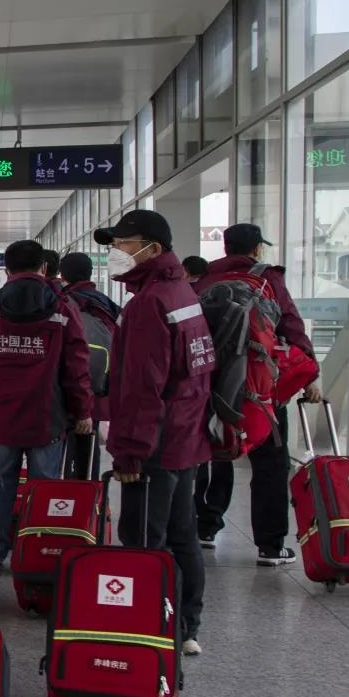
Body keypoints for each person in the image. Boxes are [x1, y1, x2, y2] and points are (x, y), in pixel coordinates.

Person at [95, 209, 214, 657]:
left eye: (123, 244)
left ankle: (151, 629)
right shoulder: (182, 291)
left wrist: (129, 453)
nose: (116, 252)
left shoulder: (149, 304)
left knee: (144, 540)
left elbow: (142, 387)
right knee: (182, 535)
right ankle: (186, 625)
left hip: (156, 443)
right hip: (183, 436)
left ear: (153, 248)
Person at [191, 223, 320, 563]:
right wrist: (311, 375)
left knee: (211, 453)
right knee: (270, 464)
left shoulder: (205, 279)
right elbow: (291, 325)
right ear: (257, 249)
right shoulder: (268, 278)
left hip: (210, 385)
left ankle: (205, 526)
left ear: (225, 247)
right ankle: (271, 546)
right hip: (260, 388)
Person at [0, 240, 93, 576]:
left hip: (1, 412)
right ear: (44, 268)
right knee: (45, 488)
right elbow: (77, 365)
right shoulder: (63, 308)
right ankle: (38, 554)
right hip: (47, 415)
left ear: (6, 269)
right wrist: (82, 410)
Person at [60, 252, 120, 478]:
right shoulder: (107, 304)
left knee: (62, 448)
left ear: (63, 275)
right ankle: (89, 491)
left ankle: (63, 493)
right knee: (89, 445)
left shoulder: (62, 303)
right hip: (98, 389)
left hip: (65, 391)